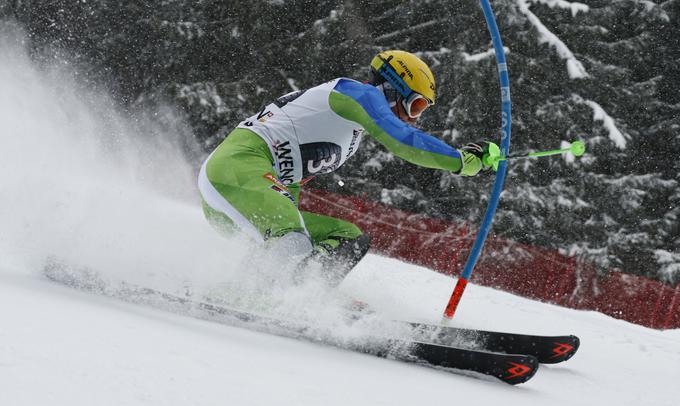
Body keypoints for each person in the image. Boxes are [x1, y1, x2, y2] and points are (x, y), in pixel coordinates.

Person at [198, 50, 492, 285]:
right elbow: (404, 141)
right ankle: (244, 294)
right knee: (292, 240)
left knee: (345, 238)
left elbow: (291, 180)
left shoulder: (349, 133)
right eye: (415, 106)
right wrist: (461, 161)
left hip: (247, 197)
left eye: (422, 111)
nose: (414, 119)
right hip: (235, 170)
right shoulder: (356, 94)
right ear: (393, 89)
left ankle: (303, 296)